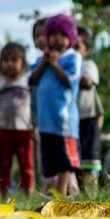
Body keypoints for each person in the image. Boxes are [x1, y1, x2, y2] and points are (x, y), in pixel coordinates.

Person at [30, 14, 82, 196]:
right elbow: (31, 80)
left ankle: (62, 193)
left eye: (63, 34)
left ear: (70, 38)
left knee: (64, 160)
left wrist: (54, 64)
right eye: (53, 34)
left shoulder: (72, 57)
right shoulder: (40, 61)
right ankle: (54, 193)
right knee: (50, 162)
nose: (57, 38)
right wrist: (45, 62)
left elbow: (70, 80)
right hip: (46, 122)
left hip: (64, 121)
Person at [0, 42, 34, 196]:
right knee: (4, 164)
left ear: (22, 62)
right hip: (5, 130)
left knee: (26, 163)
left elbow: (35, 105)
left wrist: (36, 125)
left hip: (25, 130)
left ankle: (28, 193)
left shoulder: (28, 80)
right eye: (6, 60)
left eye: (14, 60)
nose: (9, 64)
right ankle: (3, 194)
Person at [75, 31, 105, 192]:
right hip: (72, 121)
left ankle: (93, 196)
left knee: (91, 161)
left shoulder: (88, 65)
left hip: (88, 118)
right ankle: (80, 198)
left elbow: (87, 82)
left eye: (77, 46)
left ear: (86, 50)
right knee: (77, 163)